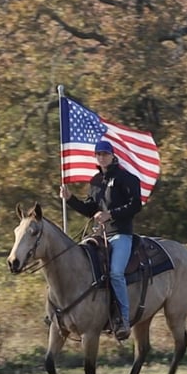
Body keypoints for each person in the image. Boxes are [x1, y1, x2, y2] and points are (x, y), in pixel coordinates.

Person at [60, 140, 142, 341]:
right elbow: (90, 208)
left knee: (115, 273)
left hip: (121, 234)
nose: (102, 157)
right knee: (82, 268)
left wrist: (111, 214)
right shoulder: (96, 181)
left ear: (113, 156)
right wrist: (70, 198)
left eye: (105, 153)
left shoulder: (126, 178)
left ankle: (122, 318)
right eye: (99, 154)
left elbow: (136, 205)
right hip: (99, 235)